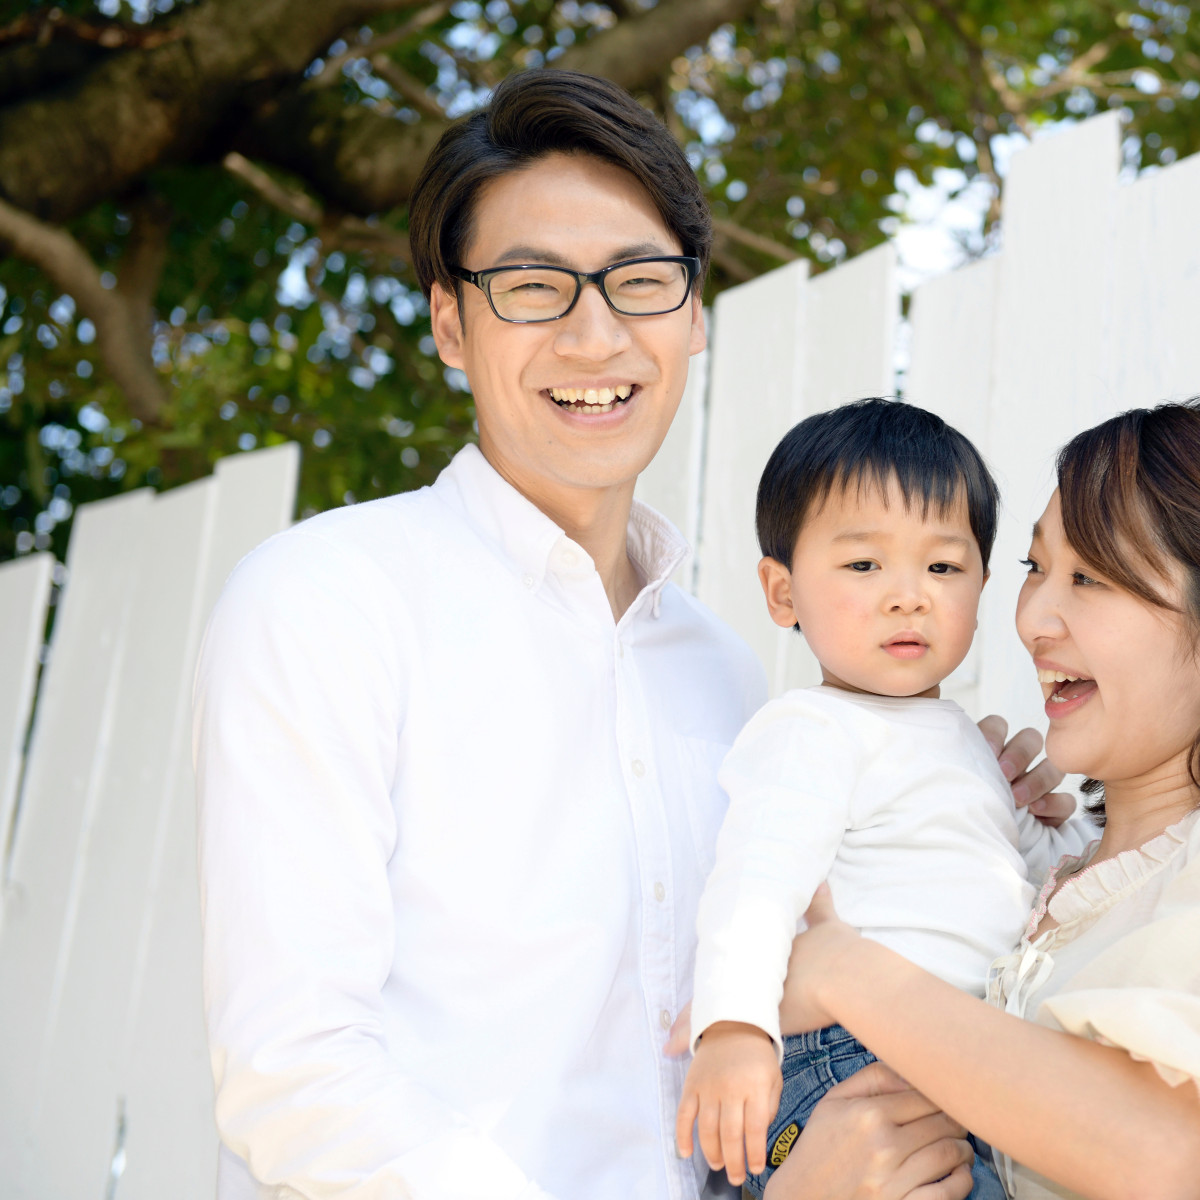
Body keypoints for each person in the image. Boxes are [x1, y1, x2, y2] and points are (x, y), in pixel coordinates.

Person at [192, 70, 1063, 1200]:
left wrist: (958, 799)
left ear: (694, 316)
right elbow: (295, 1072)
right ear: (451, 323)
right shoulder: (328, 601)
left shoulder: (728, 674)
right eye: (532, 287)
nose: (595, 335)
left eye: (640, 282)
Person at [756, 398, 1200, 1200]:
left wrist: (847, 972)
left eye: (1091, 578)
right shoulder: (1039, 884)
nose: (1033, 619)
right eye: (1035, 568)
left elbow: (1168, 1153)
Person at [674, 400, 1092, 1197]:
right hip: (848, 1057)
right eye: (864, 566)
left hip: (961, 1052)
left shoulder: (966, 742)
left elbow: (1043, 883)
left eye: (943, 568)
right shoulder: (811, 729)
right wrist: (733, 1028)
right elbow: (755, 885)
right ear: (782, 592)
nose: (909, 596)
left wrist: (1056, 838)